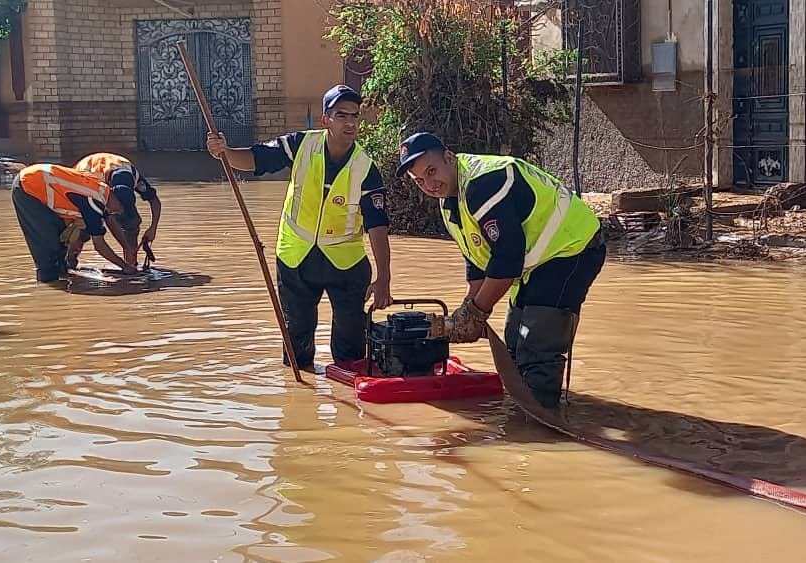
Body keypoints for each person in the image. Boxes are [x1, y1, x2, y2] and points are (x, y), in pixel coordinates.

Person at [395, 132, 606, 409]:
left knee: (537, 341)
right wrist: (467, 309)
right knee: (514, 342)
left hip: (572, 246)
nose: (429, 184)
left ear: (449, 156)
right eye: (420, 181)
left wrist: (475, 313)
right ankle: (525, 409)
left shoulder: (483, 182)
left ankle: (539, 421)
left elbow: (507, 257)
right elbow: (478, 260)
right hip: (536, 260)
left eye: (432, 171)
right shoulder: (449, 202)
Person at [205, 85, 393, 371]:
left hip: (345, 264)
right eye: (341, 115)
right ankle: (299, 400)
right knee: (297, 342)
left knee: (351, 348)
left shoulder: (366, 167)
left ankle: (349, 405)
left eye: (355, 116)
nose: (350, 123)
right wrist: (225, 152)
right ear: (325, 120)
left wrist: (384, 278)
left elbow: (377, 225)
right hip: (296, 257)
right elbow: (258, 159)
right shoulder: (300, 145)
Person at [11, 163, 140, 282]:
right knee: (48, 250)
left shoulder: (103, 193)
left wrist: (127, 248)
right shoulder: (94, 202)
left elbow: (109, 221)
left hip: (36, 180)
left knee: (60, 245)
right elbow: (99, 245)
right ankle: (49, 289)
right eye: (119, 209)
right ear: (117, 200)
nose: (117, 213)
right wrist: (124, 267)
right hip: (28, 187)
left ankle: (62, 278)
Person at [73, 152, 162, 268]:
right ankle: (70, 259)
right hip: (80, 185)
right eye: (118, 208)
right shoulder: (98, 183)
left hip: (109, 173)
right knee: (82, 230)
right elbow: (108, 218)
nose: (119, 212)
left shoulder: (133, 175)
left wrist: (153, 227)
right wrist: (124, 247)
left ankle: (131, 262)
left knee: (132, 223)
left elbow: (154, 200)